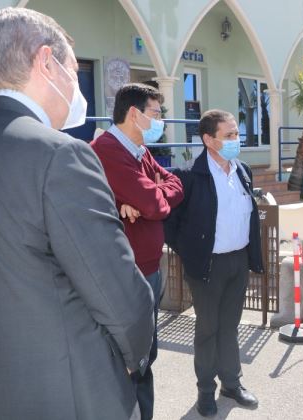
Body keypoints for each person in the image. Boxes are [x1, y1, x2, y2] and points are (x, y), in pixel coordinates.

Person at [0, 8, 154, 419]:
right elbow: (121, 298)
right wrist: (135, 359)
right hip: (71, 393)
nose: (77, 83)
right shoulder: (60, 155)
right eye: (74, 69)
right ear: (46, 62)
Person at [91, 82, 184, 420]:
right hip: (125, 273)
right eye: (156, 114)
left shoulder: (139, 151)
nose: (161, 122)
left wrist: (149, 198)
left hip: (149, 268)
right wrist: (147, 200)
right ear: (134, 114)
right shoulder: (107, 151)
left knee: (146, 356)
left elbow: (174, 186)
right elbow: (155, 204)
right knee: (130, 360)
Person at [164, 109, 263, 417]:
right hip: (207, 266)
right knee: (208, 328)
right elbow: (170, 224)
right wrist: (191, 252)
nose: (237, 140)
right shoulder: (189, 176)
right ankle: (206, 389)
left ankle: (231, 383)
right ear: (208, 139)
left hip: (238, 261)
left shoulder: (243, 169)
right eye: (229, 135)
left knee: (230, 326)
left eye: (238, 133)